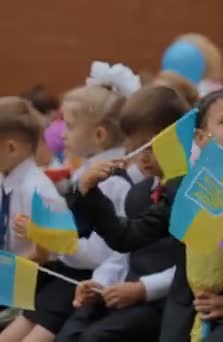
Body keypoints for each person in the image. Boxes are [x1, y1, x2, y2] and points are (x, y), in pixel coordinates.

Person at [71, 88, 223, 342]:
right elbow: (126, 237)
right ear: (200, 137)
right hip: (185, 310)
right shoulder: (188, 188)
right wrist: (89, 192)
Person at [0, 62, 140, 342]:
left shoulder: (110, 182)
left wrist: (48, 236)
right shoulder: (83, 172)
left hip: (79, 282)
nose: (61, 133)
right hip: (62, 274)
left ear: (99, 135)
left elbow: (102, 253)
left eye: (70, 125)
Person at [53, 85, 189, 342]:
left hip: (162, 300)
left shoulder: (187, 191)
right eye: (135, 150)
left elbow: (188, 266)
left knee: (95, 338)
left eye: (148, 149)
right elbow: (122, 250)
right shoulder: (138, 193)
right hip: (124, 290)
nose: (141, 159)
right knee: (68, 334)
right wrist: (100, 283)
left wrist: (142, 289)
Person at [0, 97, 60, 330]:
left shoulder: (38, 189)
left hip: (34, 282)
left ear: (11, 148)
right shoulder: (5, 179)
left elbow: (45, 254)